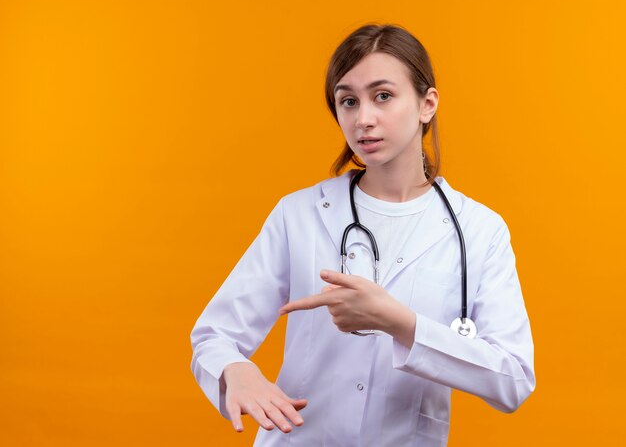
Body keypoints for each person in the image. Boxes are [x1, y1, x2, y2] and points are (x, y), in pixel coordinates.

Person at [190, 23, 535, 447]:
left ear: (427, 104)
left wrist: (399, 323)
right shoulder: (299, 214)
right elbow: (214, 335)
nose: (363, 118)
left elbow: (513, 379)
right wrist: (233, 369)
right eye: (348, 101)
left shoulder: (480, 231)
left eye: (383, 96)